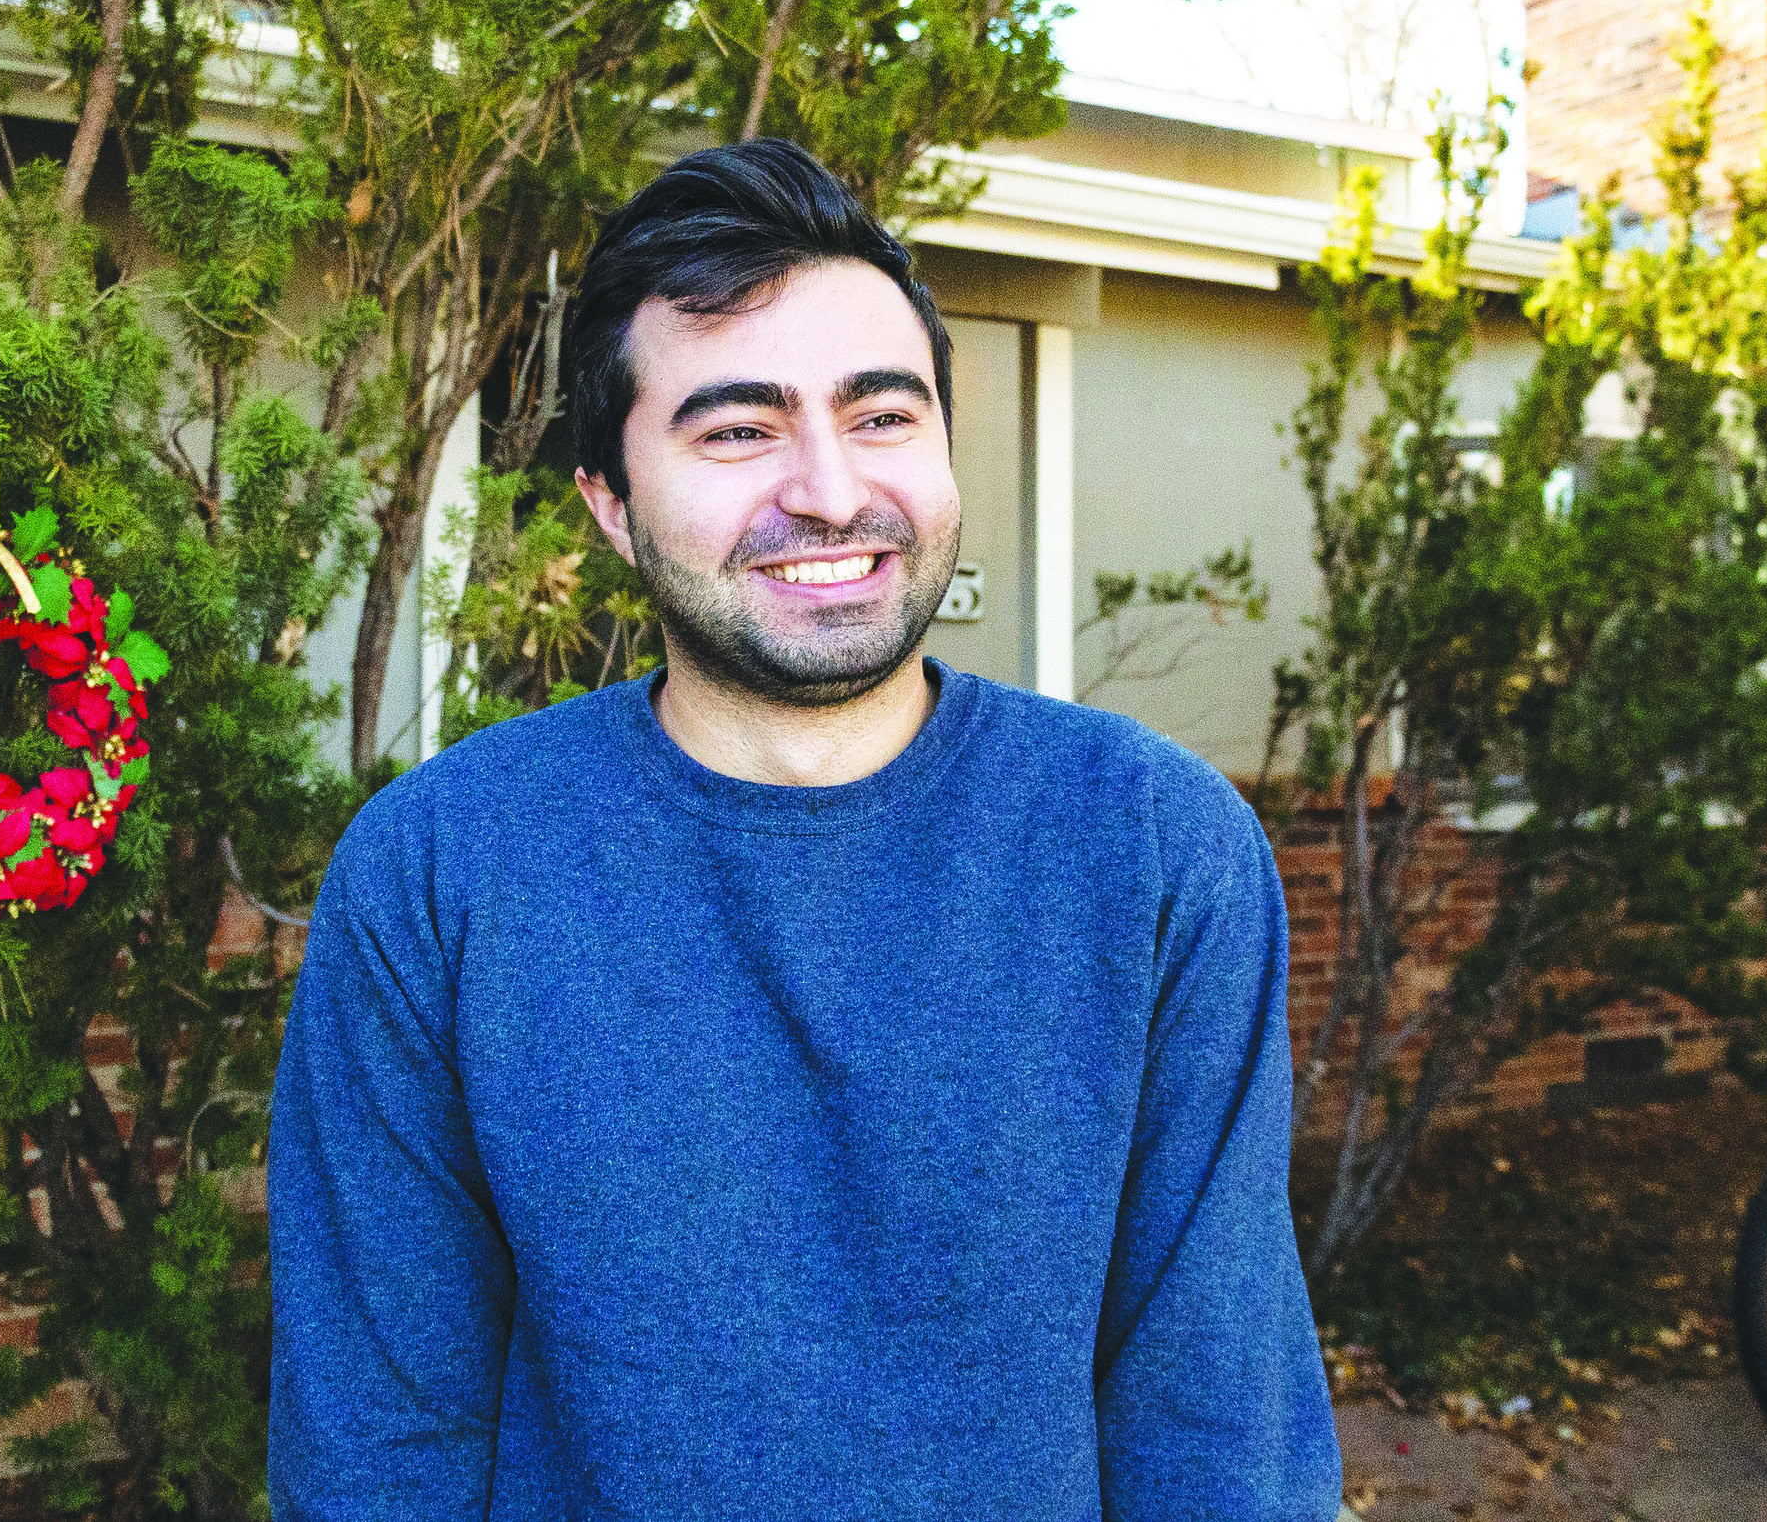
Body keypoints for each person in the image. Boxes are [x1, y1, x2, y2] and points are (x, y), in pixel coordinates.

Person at [267, 139, 1340, 1520]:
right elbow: (377, 1440)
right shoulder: (441, 872)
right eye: (737, 430)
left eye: (882, 416)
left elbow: (1218, 1420)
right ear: (610, 503)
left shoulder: (1150, 849)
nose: (831, 491)